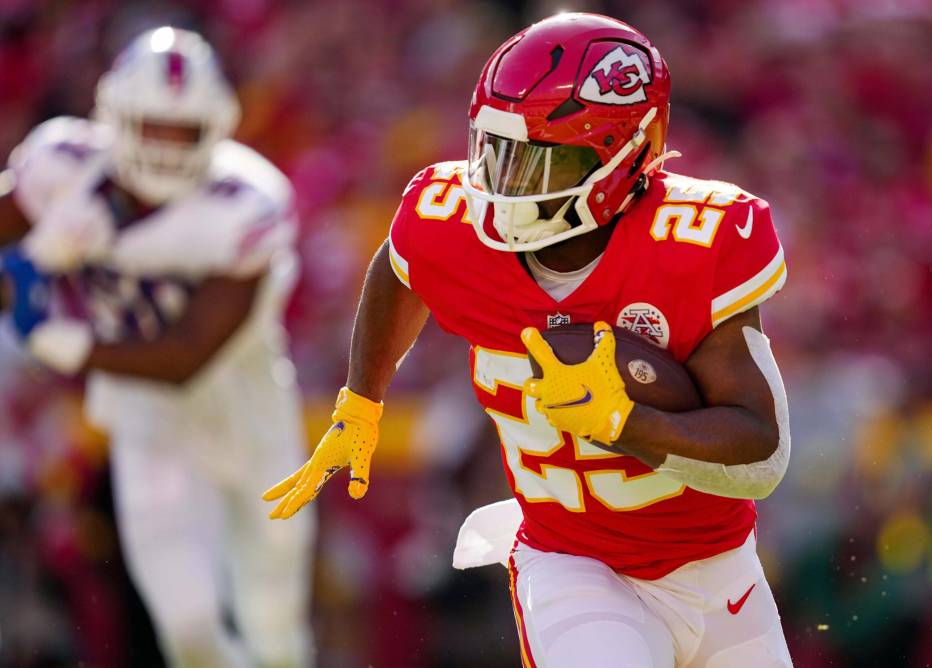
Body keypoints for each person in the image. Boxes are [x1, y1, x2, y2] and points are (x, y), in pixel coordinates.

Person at [264, 12, 793, 668]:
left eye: (544, 160)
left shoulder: (696, 242)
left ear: (624, 153)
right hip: (572, 563)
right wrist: (361, 400)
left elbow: (761, 459)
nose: (507, 183)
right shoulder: (448, 221)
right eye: (499, 151)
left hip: (719, 572)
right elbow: (397, 268)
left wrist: (629, 423)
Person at [0, 27, 314, 668]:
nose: (166, 147)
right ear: (114, 116)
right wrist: (31, 259)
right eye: (152, 126)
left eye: (183, 131)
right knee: (188, 625)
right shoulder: (62, 167)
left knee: (273, 618)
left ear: (216, 128)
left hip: (247, 407)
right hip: (148, 418)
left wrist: (65, 341)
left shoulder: (247, 204)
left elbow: (186, 355)